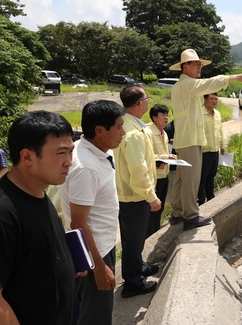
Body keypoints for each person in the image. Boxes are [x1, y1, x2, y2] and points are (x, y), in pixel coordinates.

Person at [0, 111, 80, 324]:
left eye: (71, 151)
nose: (69, 162)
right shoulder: (1, 213)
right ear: (27, 157)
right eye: (61, 153)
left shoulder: (40, 192)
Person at [169, 48, 242, 230]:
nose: (199, 67)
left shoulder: (178, 86)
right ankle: (190, 216)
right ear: (185, 67)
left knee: (181, 179)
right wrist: (235, 77)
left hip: (183, 138)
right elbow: (210, 84)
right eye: (196, 64)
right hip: (190, 139)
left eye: (200, 64)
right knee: (191, 179)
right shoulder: (189, 84)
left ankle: (177, 213)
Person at [60, 100, 126, 325]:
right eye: (119, 126)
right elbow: (78, 223)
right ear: (100, 131)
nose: (123, 132)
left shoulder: (99, 150)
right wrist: (99, 267)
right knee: (96, 317)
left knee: (83, 312)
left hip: (102, 245)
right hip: (93, 252)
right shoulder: (85, 167)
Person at [113, 86, 161, 298]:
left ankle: (138, 266)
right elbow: (137, 169)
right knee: (133, 240)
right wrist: (151, 196)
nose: (148, 102)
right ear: (140, 103)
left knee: (136, 237)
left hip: (132, 193)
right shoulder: (132, 133)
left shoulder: (131, 125)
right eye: (147, 98)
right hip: (134, 195)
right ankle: (133, 283)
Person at [146, 104, 176, 237]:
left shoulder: (164, 133)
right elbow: (147, 156)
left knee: (160, 208)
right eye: (163, 115)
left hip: (164, 175)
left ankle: (155, 233)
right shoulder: (149, 133)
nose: (166, 117)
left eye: (167, 115)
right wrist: (165, 157)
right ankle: (149, 237)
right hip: (154, 177)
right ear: (154, 118)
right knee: (152, 209)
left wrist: (170, 157)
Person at [198, 93, 227, 206]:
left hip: (215, 151)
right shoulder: (199, 113)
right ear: (205, 99)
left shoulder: (218, 114)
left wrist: (223, 145)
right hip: (204, 152)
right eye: (211, 99)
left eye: (216, 99)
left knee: (212, 175)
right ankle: (201, 200)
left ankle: (210, 197)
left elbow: (220, 131)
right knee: (202, 178)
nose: (214, 101)